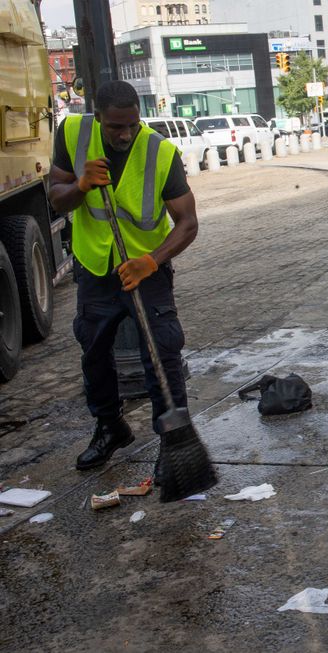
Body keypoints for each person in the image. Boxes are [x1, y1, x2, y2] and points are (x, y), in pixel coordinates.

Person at [48, 80, 198, 471]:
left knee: (161, 354)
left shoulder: (160, 152)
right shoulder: (73, 133)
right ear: (98, 116)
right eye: (115, 126)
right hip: (96, 267)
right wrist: (80, 185)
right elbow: (56, 194)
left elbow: (187, 223)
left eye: (131, 124)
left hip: (146, 271)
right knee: (94, 352)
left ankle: (172, 443)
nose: (125, 133)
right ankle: (109, 426)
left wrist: (152, 260)